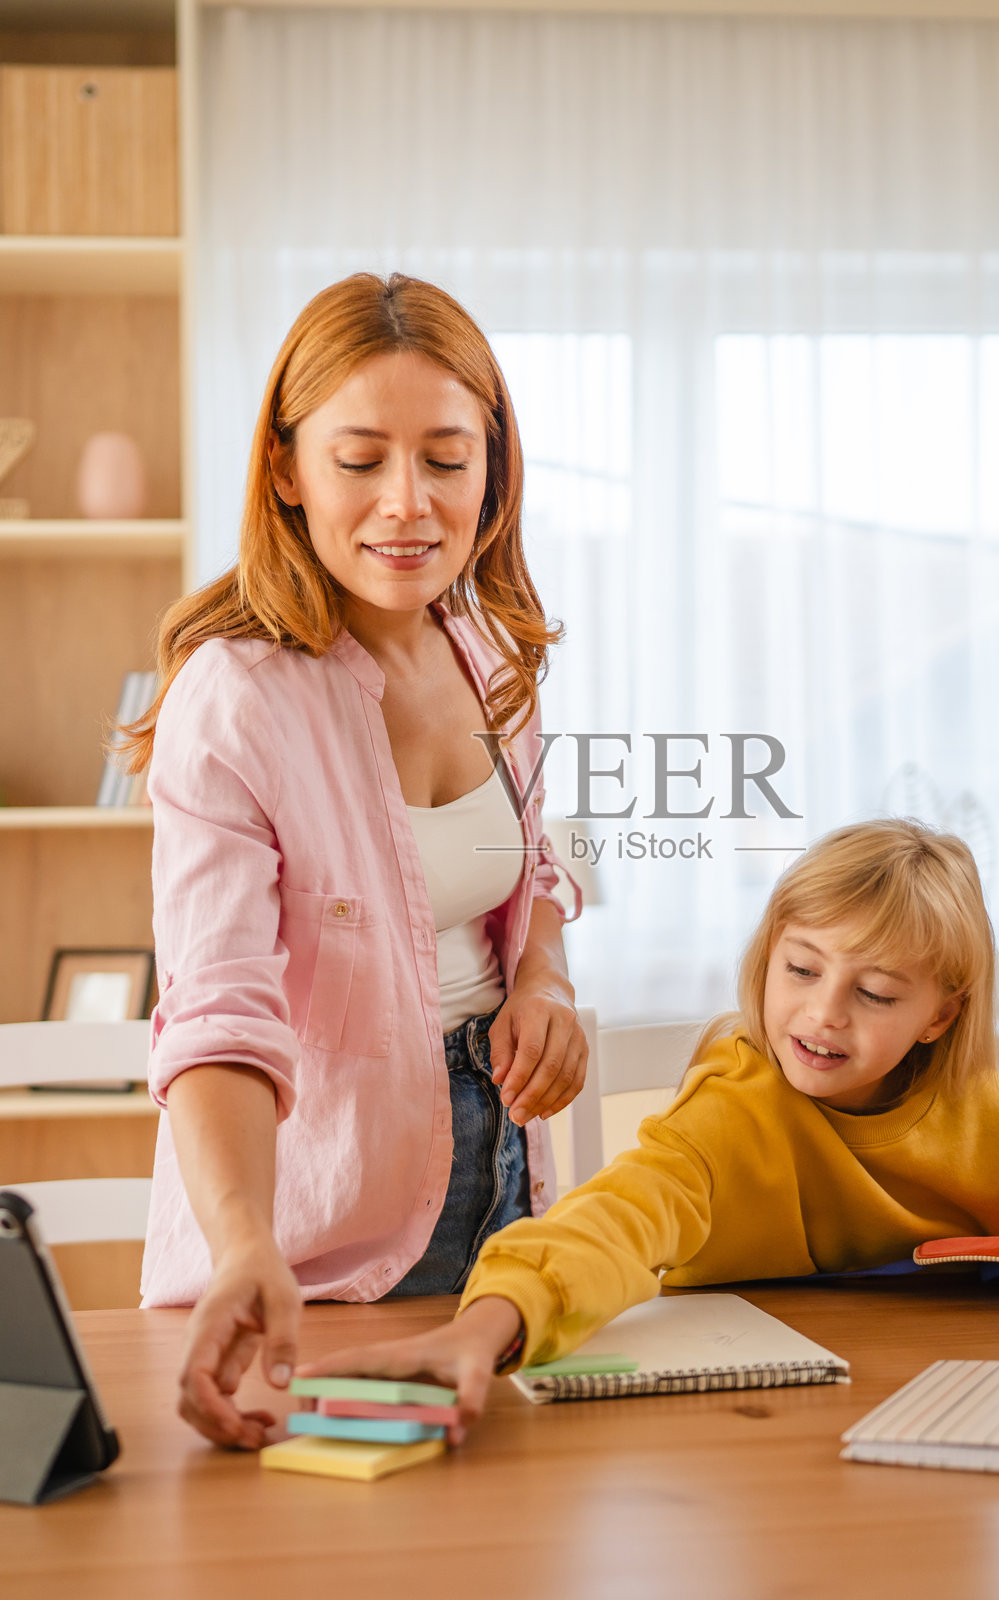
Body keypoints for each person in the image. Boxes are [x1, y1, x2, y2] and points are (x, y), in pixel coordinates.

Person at [126, 273, 587, 1448]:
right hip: (312, 1232)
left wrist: (543, 979)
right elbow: (218, 1008)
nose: (407, 503)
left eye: (446, 458)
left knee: (506, 1510)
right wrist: (244, 1242)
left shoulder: (491, 652)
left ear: (492, 468)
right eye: (359, 459)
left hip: (507, 1183)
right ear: (285, 468)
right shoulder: (235, 697)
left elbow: (537, 865)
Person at [299, 818, 999, 1443]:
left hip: (930, 1408)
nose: (824, 1013)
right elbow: (615, 1219)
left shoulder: (995, 1128)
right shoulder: (736, 1104)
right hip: (741, 1426)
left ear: (940, 1016)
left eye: (876, 993)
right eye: (801, 969)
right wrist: (481, 1330)